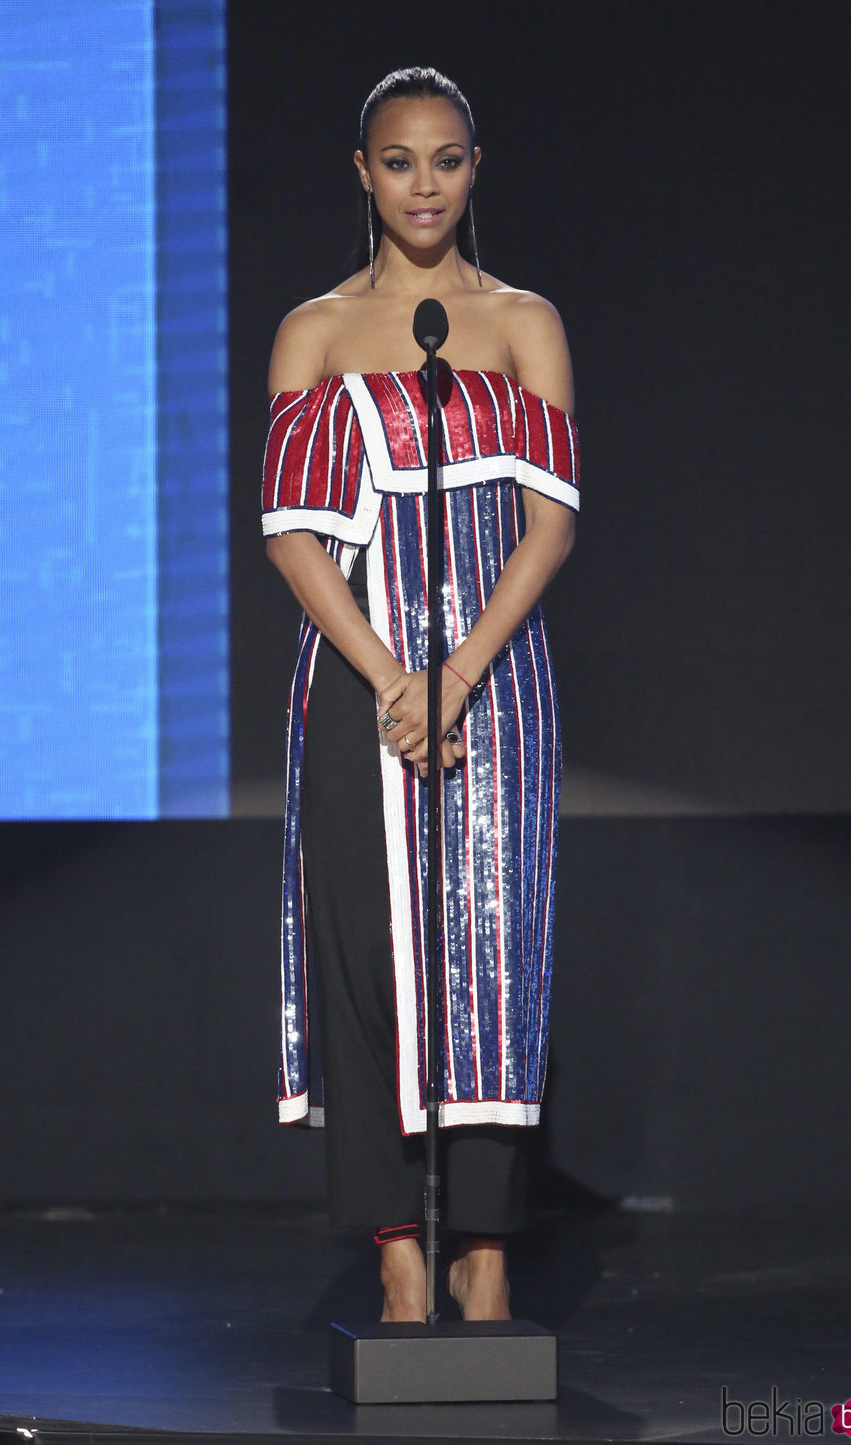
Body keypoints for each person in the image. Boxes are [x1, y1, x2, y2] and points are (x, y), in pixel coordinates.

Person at [261, 67, 579, 1325]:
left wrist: (454, 673)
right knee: (369, 964)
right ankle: (398, 1246)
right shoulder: (315, 329)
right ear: (362, 173)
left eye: (445, 160)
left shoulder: (520, 322)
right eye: (399, 162)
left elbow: (547, 525)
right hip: (358, 684)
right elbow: (291, 535)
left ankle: (485, 1250)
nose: (424, 186)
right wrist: (395, 678)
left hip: (494, 687)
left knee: (492, 957)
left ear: (474, 166)